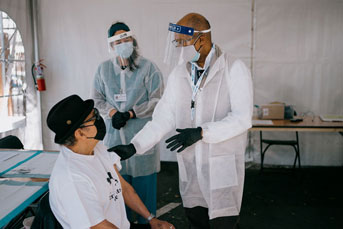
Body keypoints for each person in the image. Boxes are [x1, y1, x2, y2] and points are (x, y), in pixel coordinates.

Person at [110, 13, 253, 229]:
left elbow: (242, 119)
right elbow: (163, 117)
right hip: (191, 168)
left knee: (224, 224)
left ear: (201, 40)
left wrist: (202, 132)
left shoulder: (234, 69)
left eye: (182, 42)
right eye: (176, 42)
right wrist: (134, 146)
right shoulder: (180, 74)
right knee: (195, 221)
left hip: (220, 169)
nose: (178, 47)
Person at [46, 94, 174, 229]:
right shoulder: (72, 178)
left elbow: (123, 189)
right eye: (93, 117)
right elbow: (99, 226)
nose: (99, 119)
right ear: (80, 133)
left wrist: (151, 219)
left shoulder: (97, 148)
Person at [91, 22, 164, 226]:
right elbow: (96, 99)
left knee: (144, 199)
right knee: (117, 194)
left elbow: (158, 101)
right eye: (118, 40)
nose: (123, 43)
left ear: (133, 40)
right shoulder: (103, 69)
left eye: (126, 38)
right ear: (111, 45)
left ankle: (147, 223)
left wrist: (132, 113)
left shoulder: (149, 68)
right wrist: (113, 112)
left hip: (143, 142)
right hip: (114, 140)